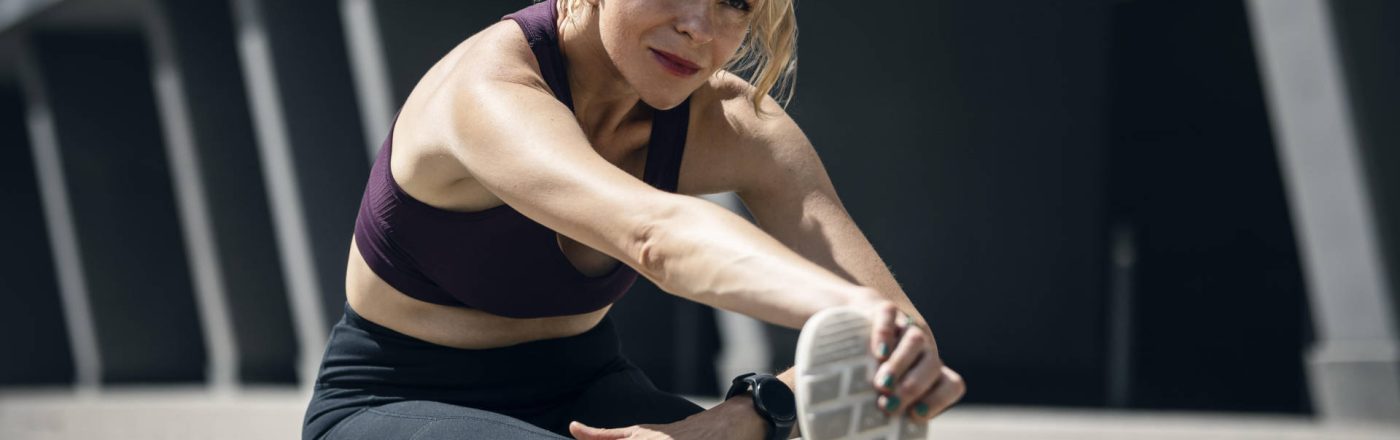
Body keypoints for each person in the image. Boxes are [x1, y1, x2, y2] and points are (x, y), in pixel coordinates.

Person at [302, 0, 965, 438]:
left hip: (588, 389)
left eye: (734, 0)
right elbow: (655, 236)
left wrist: (746, 416)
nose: (700, 27)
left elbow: (901, 341)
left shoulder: (736, 127)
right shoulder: (488, 89)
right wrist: (853, 311)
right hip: (390, 401)